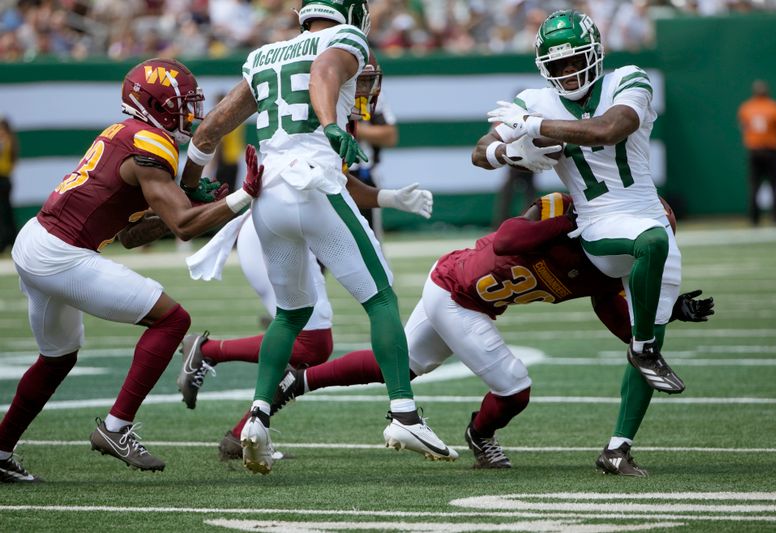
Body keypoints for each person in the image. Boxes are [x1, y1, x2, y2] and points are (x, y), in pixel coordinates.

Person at [196, 193, 712, 472]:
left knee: (399, 365)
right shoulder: (567, 212)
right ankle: (480, 434)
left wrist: (670, 314)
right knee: (514, 386)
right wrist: (569, 225)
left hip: (460, 293)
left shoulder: (611, 273)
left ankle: (294, 384)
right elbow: (510, 237)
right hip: (458, 289)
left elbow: (614, 316)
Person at [181, 0, 456, 475]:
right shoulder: (342, 41)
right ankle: (404, 414)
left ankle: (258, 419)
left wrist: (188, 186)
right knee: (381, 298)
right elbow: (325, 72)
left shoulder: (264, 55)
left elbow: (210, 128)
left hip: (267, 198)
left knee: (290, 315)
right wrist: (330, 124)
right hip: (314, 185)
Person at [0, 58, 264, 483]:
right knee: (173, 319)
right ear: (156, 105)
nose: (190, 115)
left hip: (37, 242)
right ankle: (117, 427)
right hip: (60, 254)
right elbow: (182, 227)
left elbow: (131, 237)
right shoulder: (151, 145)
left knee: (56, 358)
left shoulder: (124, 133)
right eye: (182, 105)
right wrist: (241, 198)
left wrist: (194, 203)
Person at [478, 9, 688, 471]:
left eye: (575, 61)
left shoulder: (628, 80)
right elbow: (480, 152)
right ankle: (643, 348)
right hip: (598, 224)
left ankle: (617, 448)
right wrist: (509, 152)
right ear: (544, 69)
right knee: (651, 250)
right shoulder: (536, 98)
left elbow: (609, 129)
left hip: (645, 211)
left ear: (595, 56)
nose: (568, 72)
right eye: (558, 66)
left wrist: (534, 127)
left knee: (651, 311)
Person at [349, 61, 399, 239]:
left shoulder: (369, 94)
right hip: (323, 173)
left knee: (369, 244)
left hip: (362, 175)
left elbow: (390, 136)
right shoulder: (319, 89)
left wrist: (349, 126)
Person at [737, 79, 776, 225]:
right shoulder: (774, 107)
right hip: (770, 150)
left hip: (754, 150)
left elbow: (744, 126)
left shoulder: (746, 107)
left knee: (754, 185)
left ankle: (754, 219)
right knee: (774, 185)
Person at [0, 116, 18, 254]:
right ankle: (9, 240)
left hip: (3, 180)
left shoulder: (6, 142)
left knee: (5, 211)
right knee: (6, 211)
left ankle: (7, 240)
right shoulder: (9, 141)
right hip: (5, 180)